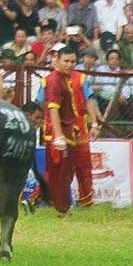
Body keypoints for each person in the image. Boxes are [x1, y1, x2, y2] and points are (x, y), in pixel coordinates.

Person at [43, 44, 103, 216]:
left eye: (72, 61)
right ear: (57, 59)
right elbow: (47, 106)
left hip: (79, 129)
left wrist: (94, 123)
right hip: (58, 130)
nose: (69, 64)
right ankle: (47, 200)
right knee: (58, 169)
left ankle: (86, 201)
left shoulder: (80, 78)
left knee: (81, 166)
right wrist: (55, 133)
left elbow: (89, 100)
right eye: (65, 61)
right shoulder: (50, 80)